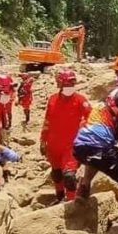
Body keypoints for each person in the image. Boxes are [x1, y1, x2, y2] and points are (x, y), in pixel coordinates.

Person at [74, 53, 118, 233]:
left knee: (96, 157)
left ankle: (84, 187)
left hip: (81, 144)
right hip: (98, 146)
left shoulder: (112, 94)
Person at [41, 69, 92, 202]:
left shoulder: (80, 100)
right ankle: (59, 198)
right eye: (66, 84)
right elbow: (47, 121)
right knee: (56, 174)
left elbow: (92, 117)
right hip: (53, 145)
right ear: (60, 84)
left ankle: (71, 203)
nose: (69, 87)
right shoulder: (52, 100)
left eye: (71, 84)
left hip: (70, 146)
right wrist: (42, 140)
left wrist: (83, 127)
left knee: (69, 176)